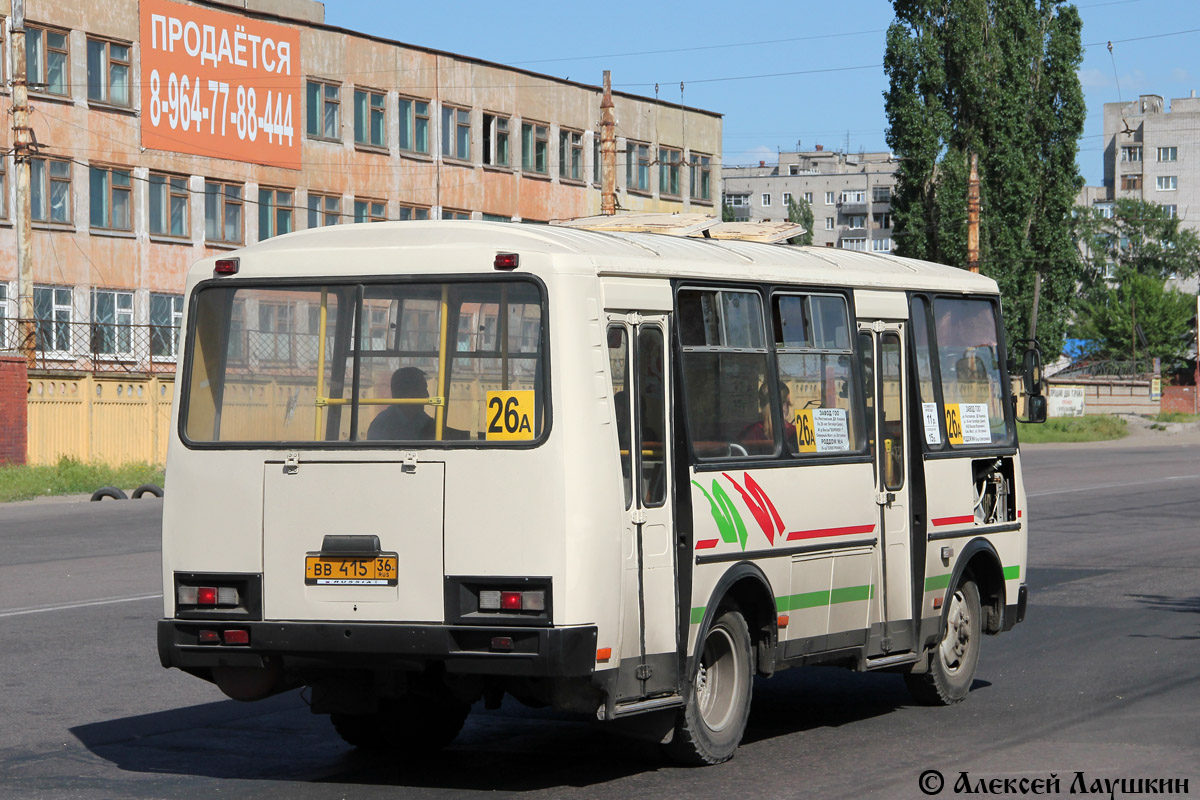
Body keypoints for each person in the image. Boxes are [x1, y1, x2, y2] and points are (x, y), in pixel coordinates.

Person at [367, 367, 435, 441]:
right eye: (423, 389)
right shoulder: (381, 426)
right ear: (408, 393)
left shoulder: (420, 417)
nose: (427, 395)